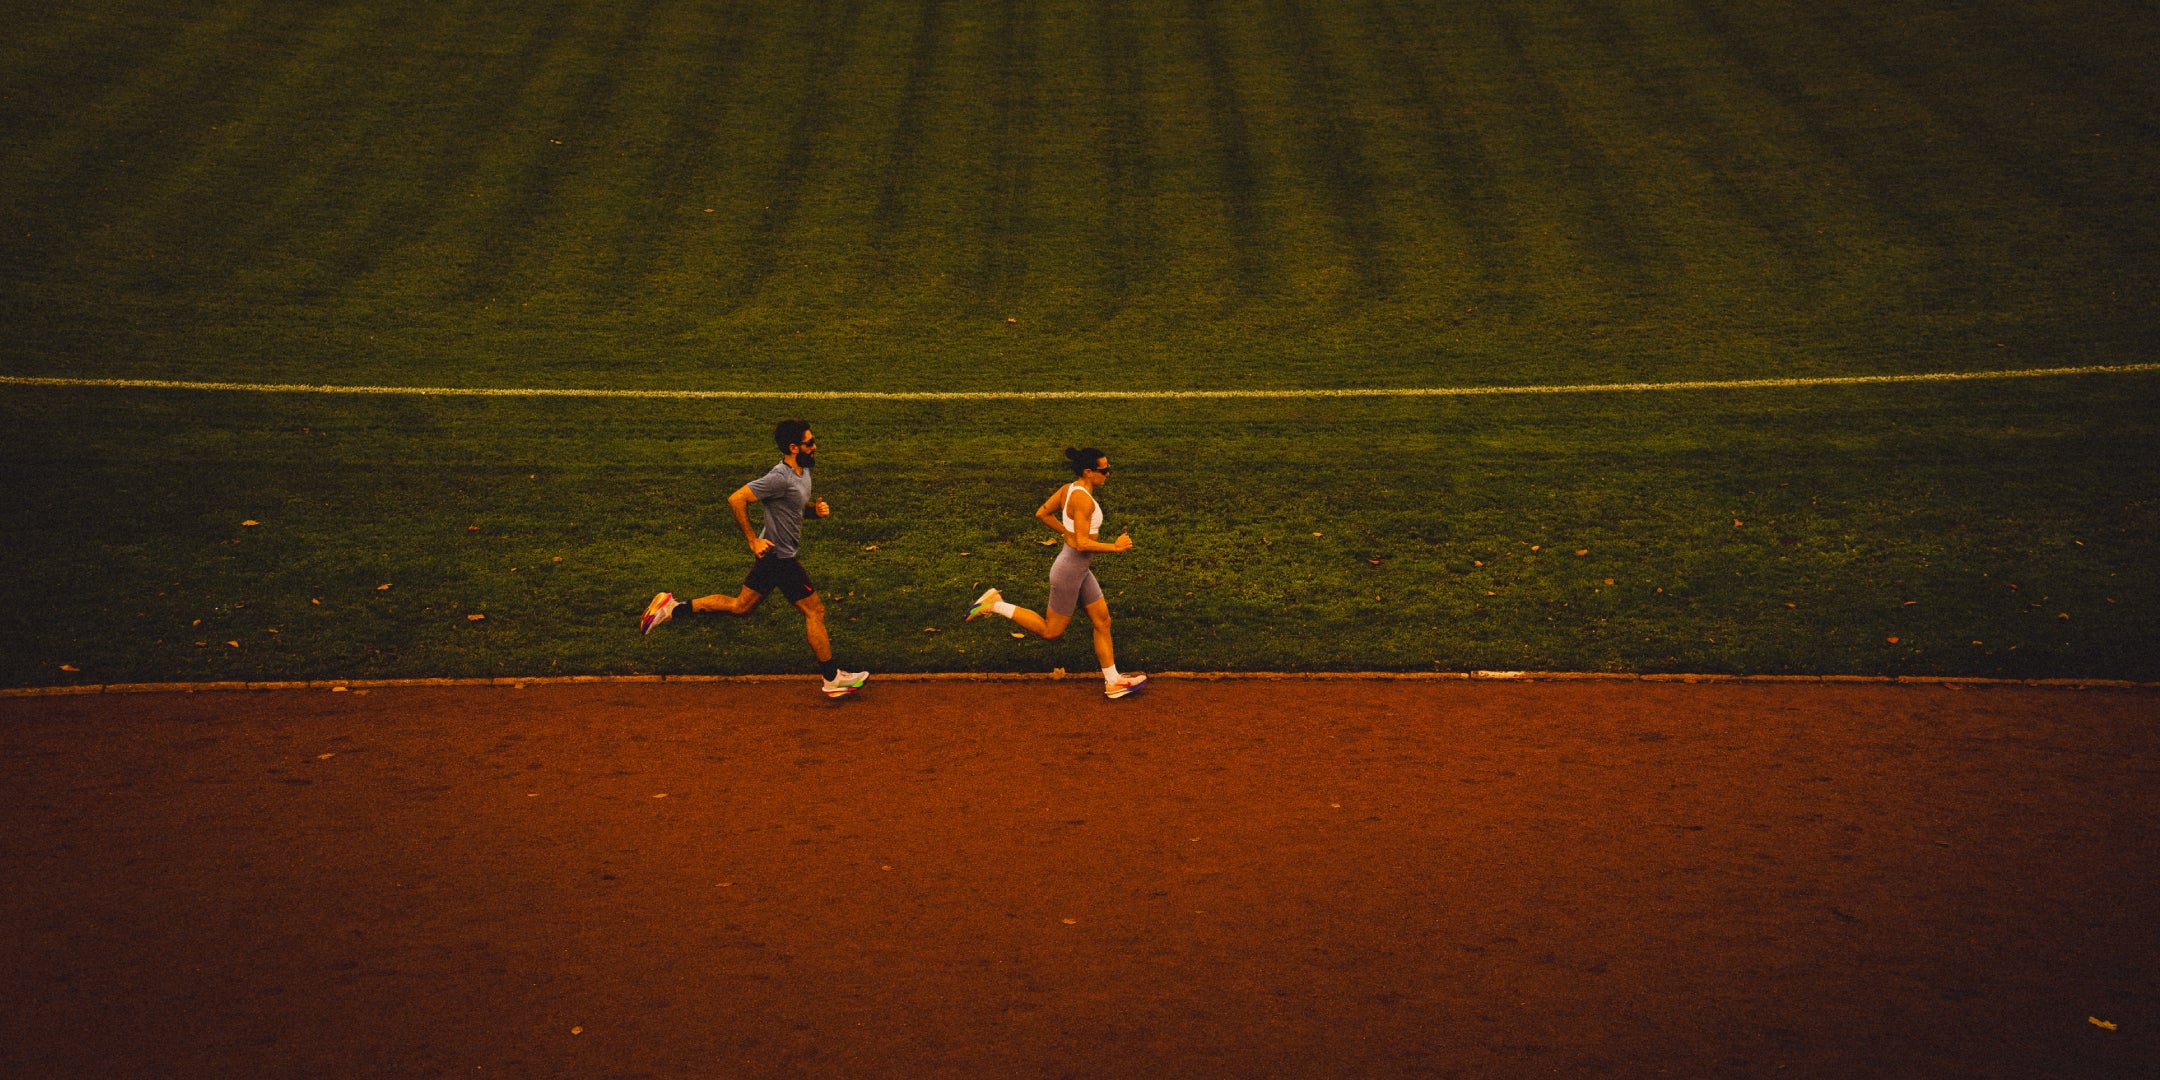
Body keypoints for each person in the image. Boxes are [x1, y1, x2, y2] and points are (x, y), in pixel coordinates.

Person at [641, 420, 869, 698]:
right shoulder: (779, 477)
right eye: (809, 443)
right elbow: (736, 499)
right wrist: (752, 540)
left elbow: (794, 508)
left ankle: (671, 608)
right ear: (793, 448)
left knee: (741, 606)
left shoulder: (804, 471)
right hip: (779, 557)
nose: (815, 446)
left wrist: (814, 512)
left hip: (773, 557)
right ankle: (832, 678)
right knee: (815, 611)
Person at [967, 447, 1147, 699]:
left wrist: (1065, 531)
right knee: (1051, 632)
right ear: (1088, 471)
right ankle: (995, 604)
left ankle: (1113, 681)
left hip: (1079, 569)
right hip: (1069, 571)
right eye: (1104, 469)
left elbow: (1042, 513)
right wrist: (1115, 547)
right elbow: (1082, 544)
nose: (1108, 473)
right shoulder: (1083, 500)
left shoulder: (1067, 489)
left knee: (1102, 621)